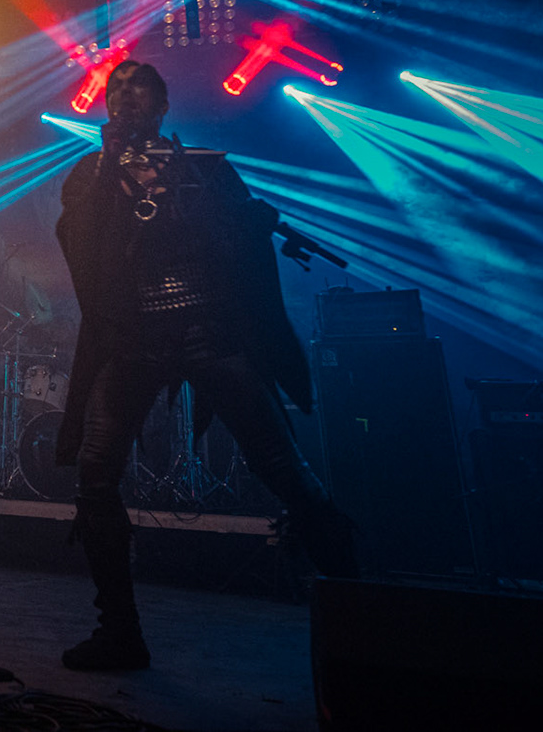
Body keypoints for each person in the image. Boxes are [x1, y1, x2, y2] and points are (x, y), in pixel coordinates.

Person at [53, 60, 357, 671]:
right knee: (95, 472)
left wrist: (233, 216)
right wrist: (112, 165)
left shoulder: (205, 168)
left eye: (137, 90)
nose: (123, 99)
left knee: (283, 468)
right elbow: (77, 238)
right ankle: (120, 633)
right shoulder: (91, 173)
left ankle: (364, 613)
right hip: (131, 339)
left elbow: (241, 238)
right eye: (115, 91)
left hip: (207, 331)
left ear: (162, 106)